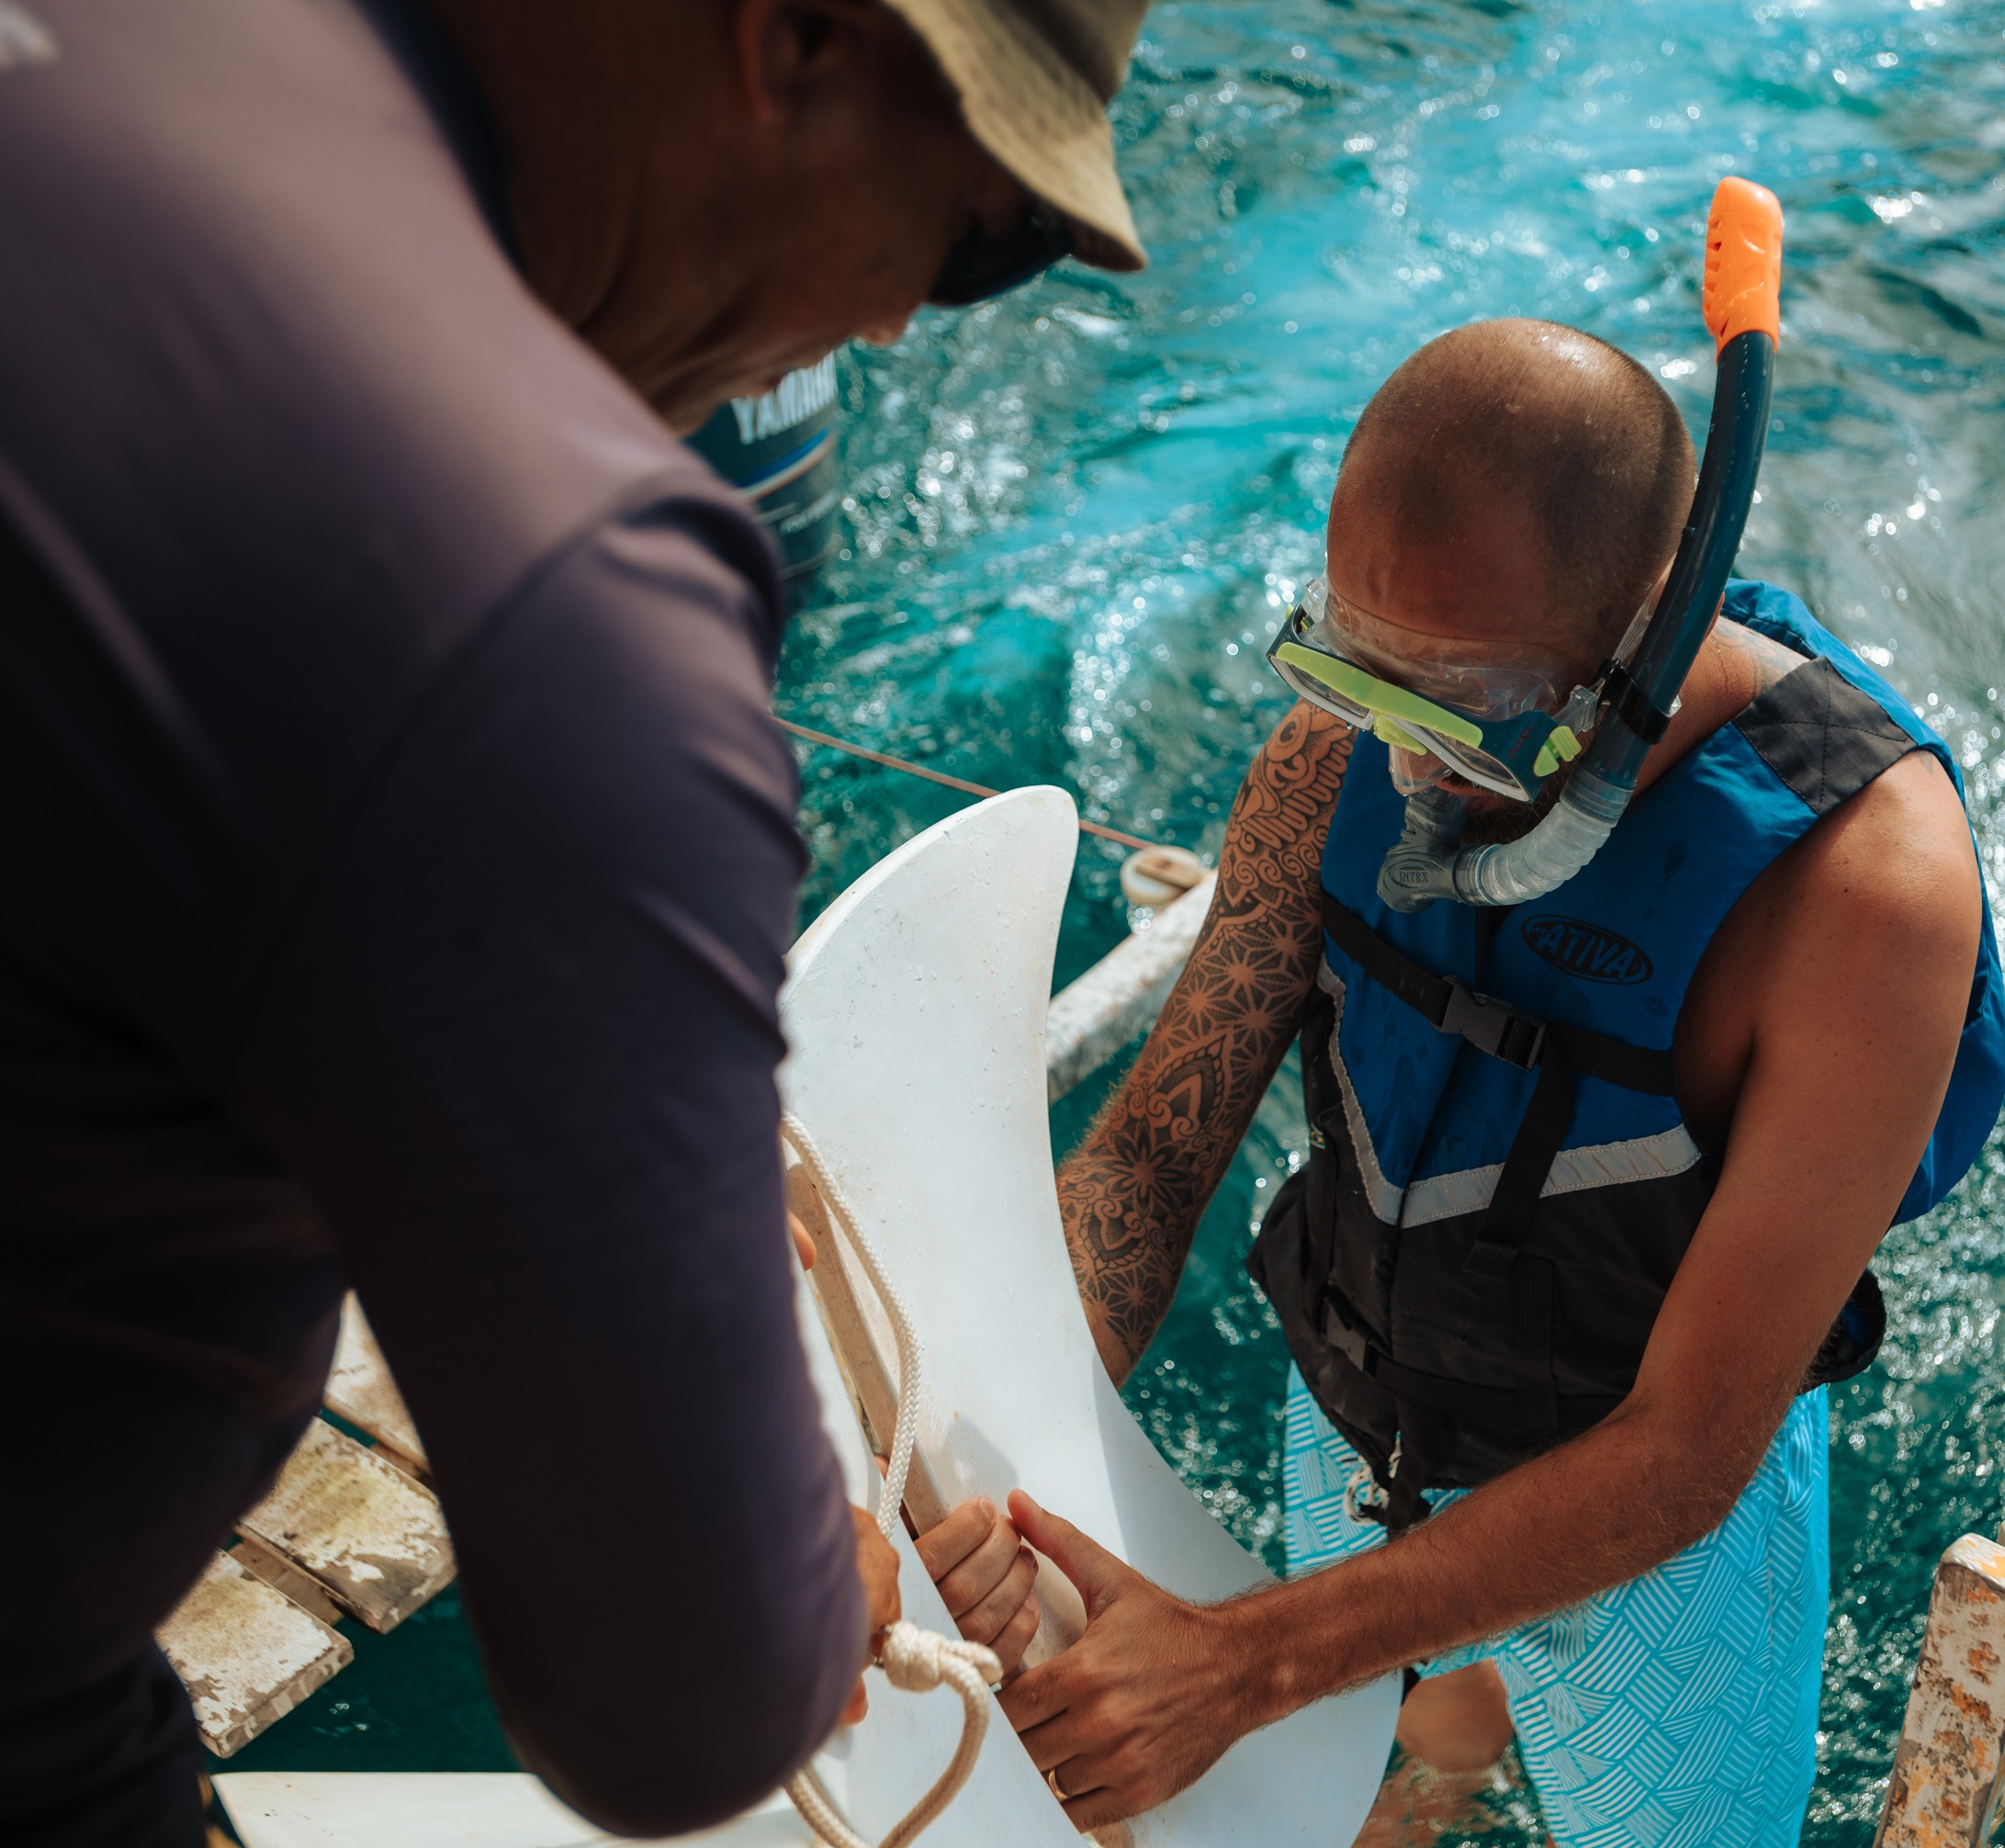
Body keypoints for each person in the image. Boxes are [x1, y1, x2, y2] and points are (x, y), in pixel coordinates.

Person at [0, 0, 1150, 1842]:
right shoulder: (543, 600)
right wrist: (827, 1584)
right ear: (795, 40)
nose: (879, 329)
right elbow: (674, 1705)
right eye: (973, 247)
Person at [918, 317, 2005, 1842]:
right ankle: (1446, 1756)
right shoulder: (1342, 749)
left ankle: (1470, 1720)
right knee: (1392, 1725)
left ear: (1637, 655)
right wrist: (966, 1462)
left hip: (1653, 1534)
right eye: (1353, 673)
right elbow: (1154, 1162)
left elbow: (1687, 1452)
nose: (1394, 760)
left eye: (1457, 711)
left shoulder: (1865, 897)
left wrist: (1237, 1667)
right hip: (1366, 1409)